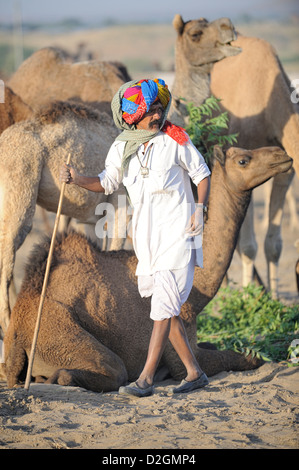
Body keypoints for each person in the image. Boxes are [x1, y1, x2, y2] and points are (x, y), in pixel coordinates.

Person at [60, 78, 211, 397]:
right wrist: (75, 180)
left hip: (180, 230)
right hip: (147, 238)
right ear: (134, 116)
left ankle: (145, 379)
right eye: (150, 110)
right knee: (165, 307)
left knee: (164, 304)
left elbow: (202, 174)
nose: (157, 115)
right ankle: (195, 373)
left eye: (159, 108)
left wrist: (199, 209)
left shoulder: (176, 139)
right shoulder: (121, 148)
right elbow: (107, 182)